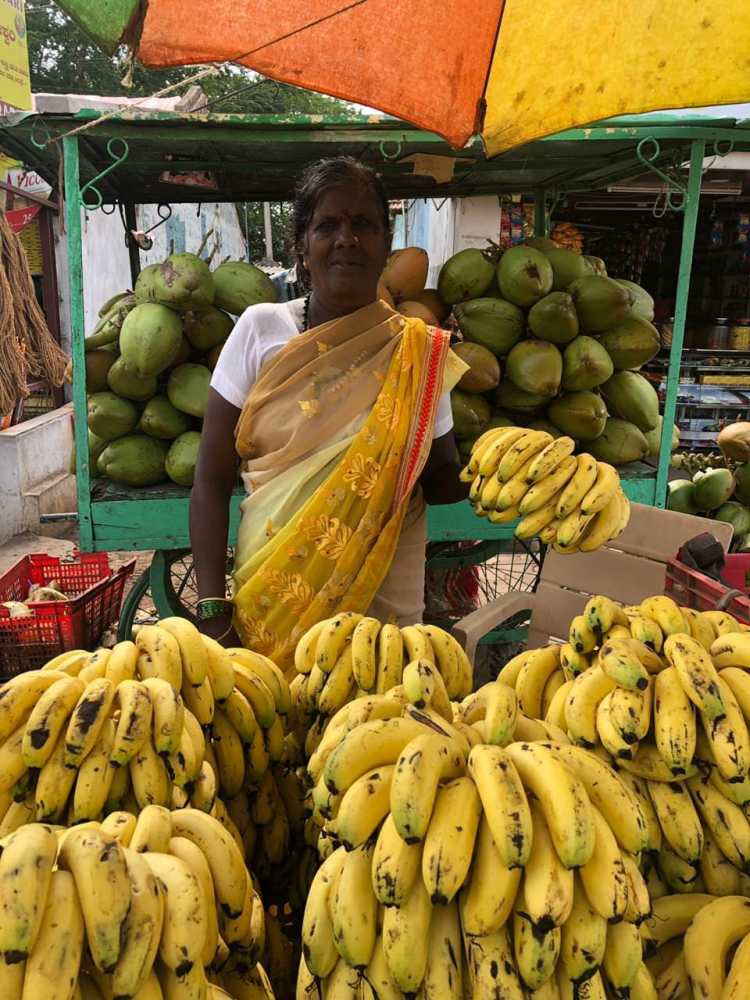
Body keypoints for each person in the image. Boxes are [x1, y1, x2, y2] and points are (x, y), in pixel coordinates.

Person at [190, 156, 468, 664]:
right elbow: (209, 480)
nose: (347, 239)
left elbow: (445, 483)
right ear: (302, 246)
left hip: (384, 610)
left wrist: (510, 470)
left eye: (363, 225)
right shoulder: (260, 329)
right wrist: (212, 610)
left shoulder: (421, 354)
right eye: (328, 225)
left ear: (386, 244)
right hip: (275, 598)